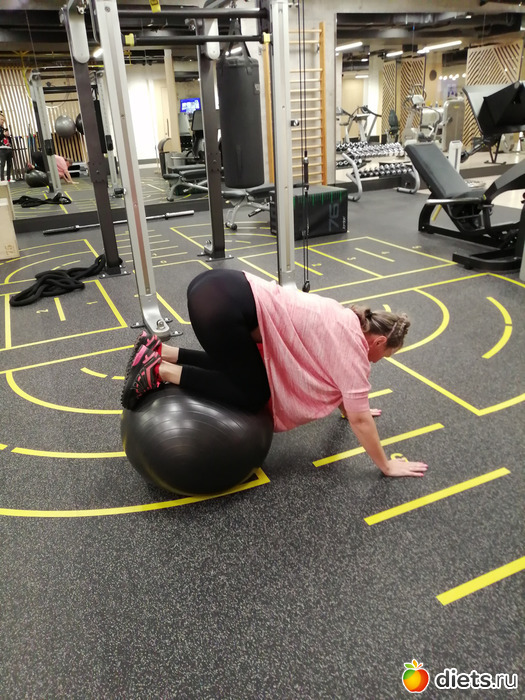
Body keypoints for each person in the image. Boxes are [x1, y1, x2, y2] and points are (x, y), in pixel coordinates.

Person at [121, 269, 428, 479]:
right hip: (223, 309)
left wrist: (348, 408)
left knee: (240, 365)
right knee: (253, 393)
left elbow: (337, 377)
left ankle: (161, 351)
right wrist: (386, 466)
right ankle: (158, 370)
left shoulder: (346, 318)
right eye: (386, 355)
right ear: (379, 341)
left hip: (218, 286)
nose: (380, 360)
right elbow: (361, 418)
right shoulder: (354, 351)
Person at [0, 112, 14, 182]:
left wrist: (8, 136)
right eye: (1, 119)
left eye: (3, 120)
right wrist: (3, 135)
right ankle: (2, 179)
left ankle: (8, 178)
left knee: (9, 164)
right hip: (2, 149)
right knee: (2, 164)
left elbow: (9, 139)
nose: (2, 121)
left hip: (8, 148)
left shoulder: (4, 128)